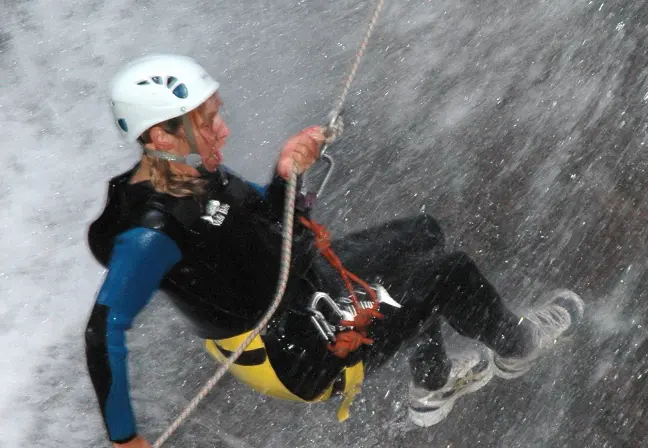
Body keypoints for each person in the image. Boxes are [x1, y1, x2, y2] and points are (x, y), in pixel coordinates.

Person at [85, 54, 585, 448]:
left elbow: (267, 227)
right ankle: (520, 347)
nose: (224, 130)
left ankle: (431, 386)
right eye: (209, 121)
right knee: (446, 273)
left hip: (304, 289)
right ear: (160, 135)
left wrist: (286, 174)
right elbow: (103, 330)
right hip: (299, 348)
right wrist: (126, 438)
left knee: (422, 234)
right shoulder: (149, 234)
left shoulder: (192, 175)